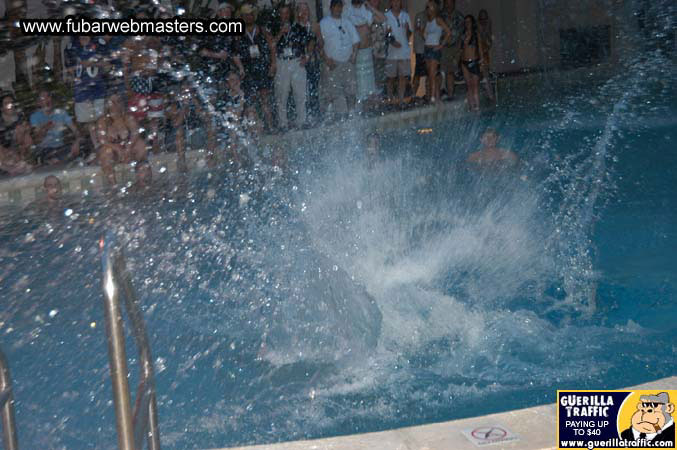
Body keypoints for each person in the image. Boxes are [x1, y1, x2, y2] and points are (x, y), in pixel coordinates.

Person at [236, 4, 277, 133]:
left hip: (262, 68)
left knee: (265, 99)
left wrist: (273, 63)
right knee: (251, 101)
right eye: (246, 15)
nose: (249, 17)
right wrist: (241, 69)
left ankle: (270, 126)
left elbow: (272, 46)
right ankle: (254, 130)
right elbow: (235, 52)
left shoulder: (262, 30)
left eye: (250, 14)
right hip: (248, 70)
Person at [65, 36, 107, 155]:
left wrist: (94, 63)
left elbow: (107, 63)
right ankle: (96, 146)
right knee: (88, 121)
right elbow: (69, 68)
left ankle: (104, 144)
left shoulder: (99, 42)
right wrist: (80, 67)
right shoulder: (71, 47)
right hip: (81, 89)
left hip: (98, 87)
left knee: (101, 118)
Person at [273, 3, 312, 130]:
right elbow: (271, 44)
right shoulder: (274, 27)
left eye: (286, 13)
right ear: (279, 15)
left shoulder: (298, 27)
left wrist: (307, 55)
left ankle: (302, 120)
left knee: (300, 93)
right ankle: (283, 123)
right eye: (282, 13)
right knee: (282, 94)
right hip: (282, 62)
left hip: (296, 61)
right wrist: (280, 32)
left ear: (290, 14)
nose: (284, 15)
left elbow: (311, 40)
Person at [320, 0, 360, 119]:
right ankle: (331, 114)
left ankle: (351, 112)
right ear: (331, 8)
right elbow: (319, 44)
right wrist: (326, 59)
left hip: (347, 61)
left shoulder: (347, 22)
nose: (338, 9)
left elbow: (356, 41)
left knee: (351, 89)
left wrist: (354, 55)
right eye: (336, 7)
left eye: (340, 7)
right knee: (331, 90)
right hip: (332, 62)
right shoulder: (324, 23)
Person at [96, 93, 148, 185]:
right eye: (112, 102)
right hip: (114, 152)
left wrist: (128, 147)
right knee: (105, 152)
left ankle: (142, 181)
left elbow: (135, 133)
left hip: (129, 150)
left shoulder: (128, 117)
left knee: (141, 144)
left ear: (122, 103)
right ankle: (114, 186)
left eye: (118, 101)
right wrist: (117, 148)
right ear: (107, 104)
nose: (115, 105)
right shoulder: (103, 120)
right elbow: (102, 140)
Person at [342, 0, 385, 108]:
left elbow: (383, 19)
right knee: (356, 82)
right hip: (354, 53)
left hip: (366, 52)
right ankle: (355, 109)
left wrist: (370, 7)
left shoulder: (366, 11)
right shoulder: (347, 10)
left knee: (368, 84)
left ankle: (367, 109)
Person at [30, 90, 81, 165]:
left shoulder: (61, 113)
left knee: (79, 147)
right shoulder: (34, 117)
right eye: (43, 98)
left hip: (61, 148)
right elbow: (37, 140)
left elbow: (76, 131)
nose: (47, 100)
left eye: (48, 97)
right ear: (39, 103)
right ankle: (55, 160)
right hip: (44, 149)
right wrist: (45, 128)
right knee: (45, 155)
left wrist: (77, 142)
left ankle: (56, 160)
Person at [418, 1, 450, 104]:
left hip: (434, 49)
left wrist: (441, 45)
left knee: (432, 74)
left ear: (434, 8)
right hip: (427, 49)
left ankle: (432, 97)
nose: (428, 8)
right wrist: (421, 32)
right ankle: (436, 96)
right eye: (427, 7)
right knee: (431, 75)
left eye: (430, 6)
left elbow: (448, 32)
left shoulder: (438, 19)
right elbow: (426, 37)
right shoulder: (428, 21)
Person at [296, 1, 323, 124]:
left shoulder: (314, 25)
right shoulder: (295, 27)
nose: (305, 12)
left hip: (312, 61)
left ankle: (316, 116)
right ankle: (304, 117)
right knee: (302, 91)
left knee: (314, 89)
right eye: (302, 10)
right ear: (298, 13)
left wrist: (314, 46)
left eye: (306, 10)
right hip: (300, 63)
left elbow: (321, 42)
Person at [384, 0, 411, 106]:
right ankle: (390, 100)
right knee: (390, 78)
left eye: (398, 1)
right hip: (391, 52)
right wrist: (392, 41)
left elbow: (409, 33)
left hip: (404, 52)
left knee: (402, 77)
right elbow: (385, 33)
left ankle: (400, 100)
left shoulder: (406, 15)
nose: (396, 3)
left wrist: (408, 30)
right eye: (393, 1)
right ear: (390, 3)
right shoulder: (386, 16)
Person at [460, 15, 485, 111]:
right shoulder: (463, 34)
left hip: (474, 61)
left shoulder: (475, 34)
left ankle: (477, 107)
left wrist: (481, 62)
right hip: (464, 62)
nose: (467, 23)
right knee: (469, 85)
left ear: (472, 23)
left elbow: (480, 48)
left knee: (475, 86)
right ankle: (471, 107)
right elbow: (461, 48)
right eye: (466, 22)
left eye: (469, 21)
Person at [439, 0, 463, 100]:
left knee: (451, 72)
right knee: (440, 72)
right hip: (441, 47)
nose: (448, 5)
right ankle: (439, 93)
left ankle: (450, 95)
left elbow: (461, 35)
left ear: (454, 3)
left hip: (454, 48)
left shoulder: (459, 16)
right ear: (444, 4)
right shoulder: (439, 16)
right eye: (446, 3)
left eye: (450, 3)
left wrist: (459, 51)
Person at [0, 92, 33, 162]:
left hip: (18, 148)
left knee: (23, 131)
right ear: (1, 108)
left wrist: (26, 130)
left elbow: (28, 134)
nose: (10, 105)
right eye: (7, 103)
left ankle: (24, 159)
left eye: (12, 103)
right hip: (4, 151)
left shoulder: (20, 117)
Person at [368, 0, 387, 102]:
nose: (374, 2)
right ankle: (371, 102)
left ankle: (378, 101)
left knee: (379, 77)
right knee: (370, 78)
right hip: (369, 52)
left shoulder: (380, 14)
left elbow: (383, 19)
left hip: (380, 52)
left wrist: (372, 8)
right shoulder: (365, 13)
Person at [477, 9, 495, 102]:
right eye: (481, 19)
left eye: (485, 19)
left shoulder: (487, 27)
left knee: (485, 75)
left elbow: (490, 42)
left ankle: (490, 97)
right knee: (483, 76)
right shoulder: (477, 28)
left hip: (484, 55)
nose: (483, 21)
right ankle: (489, 96)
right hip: (478, 56)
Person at [411, 9, 428, 103]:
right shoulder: (420, 16)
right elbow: (420, 33)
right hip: (422, 50)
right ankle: (413, 95)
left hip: (430, 50)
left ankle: (429, 95)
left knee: (430, 74)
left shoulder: (437, 17)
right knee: (418, 73)